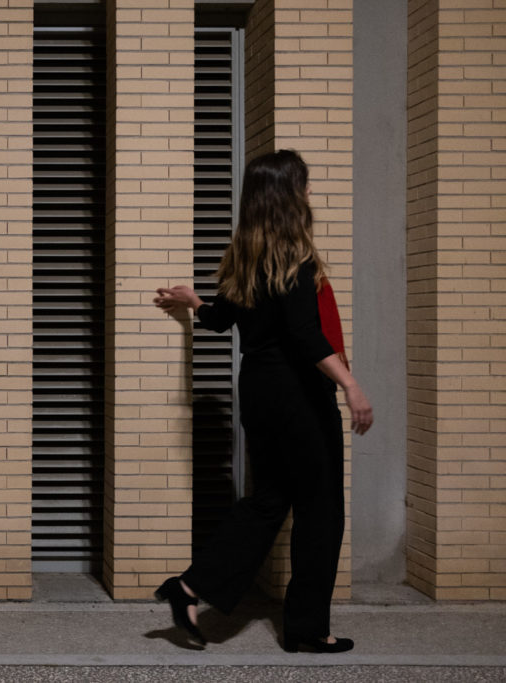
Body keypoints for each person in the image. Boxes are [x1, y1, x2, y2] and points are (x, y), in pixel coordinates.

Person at [152, 149, 373, 653]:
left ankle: (189, 586)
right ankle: (307, 629)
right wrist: (350, 384)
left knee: (269, 500)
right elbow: (304, 335)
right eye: (306, 185)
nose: (311, 194)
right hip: (299, 396)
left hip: (259, 394)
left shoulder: (244, 256)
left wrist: (193, 304)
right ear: (289, 197)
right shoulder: (295, 257)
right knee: (320, 511)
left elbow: (224, 321)